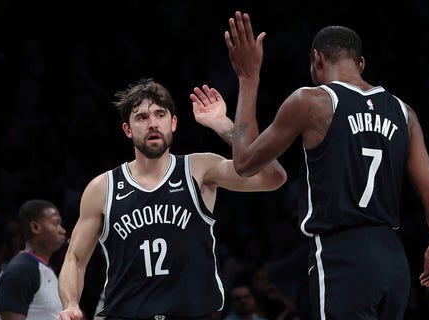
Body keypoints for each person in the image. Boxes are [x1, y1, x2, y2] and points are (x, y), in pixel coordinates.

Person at [223, 11, 429, 319]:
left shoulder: (313, 101)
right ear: (361, 64)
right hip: (393, 262)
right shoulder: (405, 113)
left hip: (342, 256)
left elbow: (245, 162)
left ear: (317, 60)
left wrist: (248, 78)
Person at [57, 78, 287, 320]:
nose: (153, 123)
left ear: (173, 123)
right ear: (127, 129)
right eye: (142, 117)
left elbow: (272, 177)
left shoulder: (200, 169)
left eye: (160, 114)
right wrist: (71, 303)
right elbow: (75, 258)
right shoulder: (102, 187)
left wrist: (222, 124)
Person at [0, 199, 67, 320]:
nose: (62, 230)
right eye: (56, 224)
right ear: (35, 227)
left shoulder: (43, 268)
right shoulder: (20, 270)